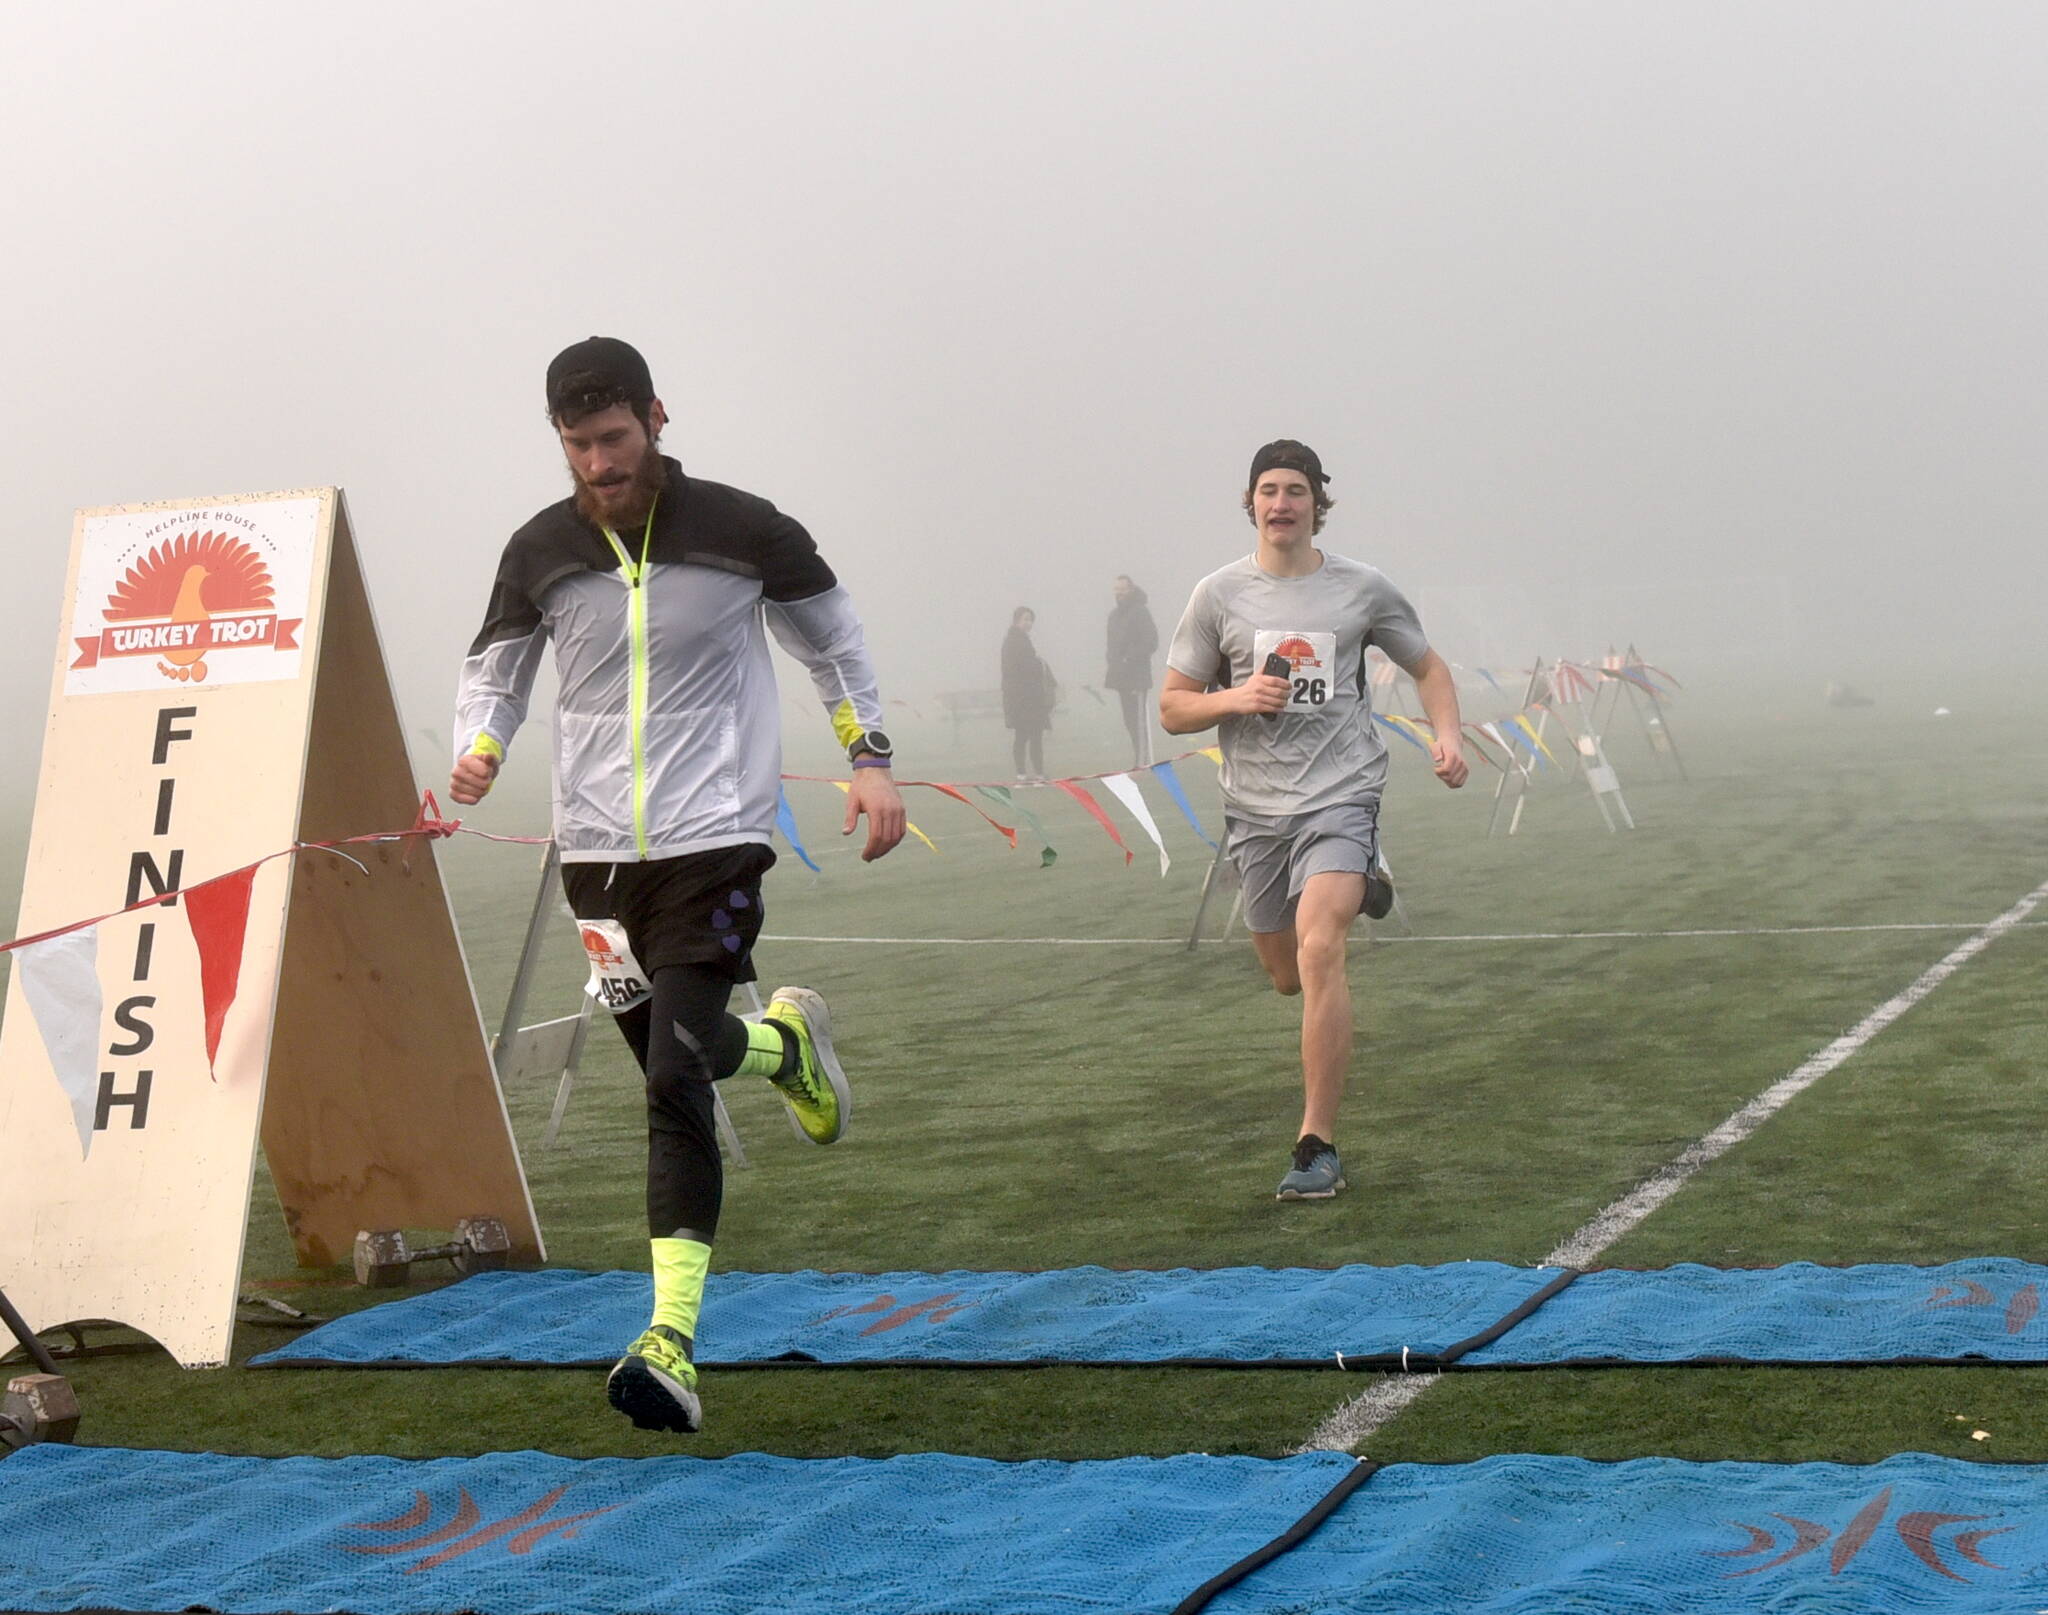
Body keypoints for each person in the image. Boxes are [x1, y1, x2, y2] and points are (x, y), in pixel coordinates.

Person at [449, 337, 905, 1433]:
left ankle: (670, 1344)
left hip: (717, 839)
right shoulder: (540, 550)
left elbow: (833, 643)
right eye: (577, 446)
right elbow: (495, 668)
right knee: (668, 1053)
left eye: (613, 439)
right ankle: (787, 1046)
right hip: (595, 865)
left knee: (673, 1075)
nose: (599, 464)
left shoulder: (746, 530)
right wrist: (479, 746)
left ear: (655, 417)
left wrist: (870, 754)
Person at [1160, 440, 1467, 1201]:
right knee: (1284, 976)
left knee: (1321, 945)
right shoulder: (1219, 595)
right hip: (1256, 809)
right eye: (1268, 489)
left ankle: (1315, 1146)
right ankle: (1364, 883)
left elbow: (1429, 666)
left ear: (1316, 503)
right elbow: (1172, 706)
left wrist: (1448, 735)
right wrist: (1233, 699)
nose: (1281, 503)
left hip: (1342, 791)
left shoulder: (1361, 589)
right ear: (1251, 502)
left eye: (1296, 490)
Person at [1105, 575, 1159, 767]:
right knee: (1129, 721)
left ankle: (1142, 762)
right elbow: (1111, 645)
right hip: (1121, 678)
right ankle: (1138, 758)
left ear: (1131, 590)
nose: (1119, 593)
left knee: (1138, 721)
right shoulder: (1114, 615)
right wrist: (1112, 660)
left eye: (1123, 589)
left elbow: (1151, 641)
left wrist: (1130, 657)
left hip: (1137, 677)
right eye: (1116, 590)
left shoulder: (1140, 612)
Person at [1001, 605, 1055, 783]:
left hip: (1027, 697)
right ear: (1016, 620)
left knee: (1030, 736)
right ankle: (1026, 774)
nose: (1028, 623)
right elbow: (1019, 670)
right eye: (1025, 619)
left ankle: (1032, 773)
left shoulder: (1021, 640)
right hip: (1024, 698)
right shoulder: (1014, 642)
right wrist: (1039, 665)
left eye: (1031, 619)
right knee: (1027, 736)